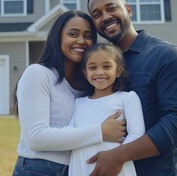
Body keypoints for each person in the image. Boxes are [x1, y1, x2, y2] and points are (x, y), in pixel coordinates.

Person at [86, 0, 177, 176]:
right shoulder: (100, 69)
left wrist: (119, 155)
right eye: (97, 14)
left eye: (111, 8)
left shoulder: (167, 56)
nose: (105, 17)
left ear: (128, 9)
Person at [12, 10, 126, 176]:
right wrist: (100, 131)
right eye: (73, 34)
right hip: (38, 169)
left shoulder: (89, 85)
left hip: (77, 169)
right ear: (58, 37)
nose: (81, 41)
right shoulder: (38, 73)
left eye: (88, 36)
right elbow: (35, 138)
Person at [68, 43, 145, 176]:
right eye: (92, 67)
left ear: (118, 71)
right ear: (86, 73)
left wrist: (115, 158)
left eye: (107, 66)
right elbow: (70, 136)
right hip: (82, 168)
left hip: (115, 169)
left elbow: (137, 134)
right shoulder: (79, 103)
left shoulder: (127, 98)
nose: (99, 72)